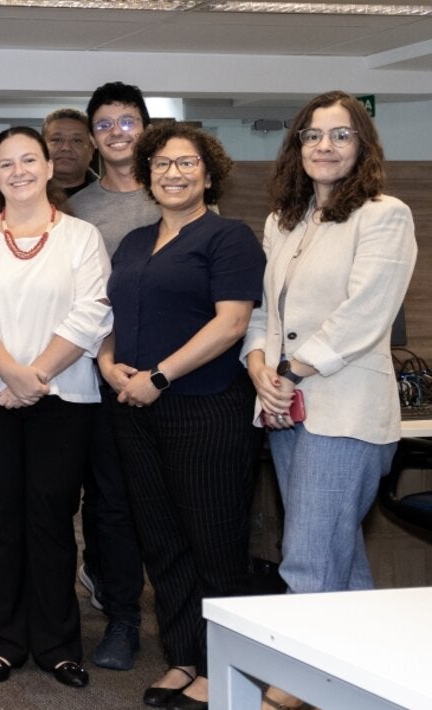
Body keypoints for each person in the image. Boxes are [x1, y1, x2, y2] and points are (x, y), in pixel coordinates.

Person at [248, 91, 417, 710]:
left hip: (344, 412)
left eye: (340, 135)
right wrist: (261, 365)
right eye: (312, 135)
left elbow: (363, 316)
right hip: (287, 408)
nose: (324, 146)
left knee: (308, 562)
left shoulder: (383, 214)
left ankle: (290, 691)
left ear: (362, 146)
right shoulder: (285, 221)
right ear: (296, 146)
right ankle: (372, 686)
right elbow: (266, 311)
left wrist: (290, 368)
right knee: (339, 563)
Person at [100, 123, 265, 710]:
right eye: (162, 165)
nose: (174, 173)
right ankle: (183, 657)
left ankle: (230, 671)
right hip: (135, 411)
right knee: (163, 542)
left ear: (209, 172)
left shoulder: (229, 237)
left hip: (205, 408)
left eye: (187, 163)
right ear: (147, 176)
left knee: (215, 544)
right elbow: (113, 314)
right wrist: (108, 361)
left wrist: (160, 376)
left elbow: (232, 323)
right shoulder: (134, 242)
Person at [0, 126, 110, 690]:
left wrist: (33, 376)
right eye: (7, 163)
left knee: (52, 518)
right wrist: (11, 375)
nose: (18, 171)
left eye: (28, 160)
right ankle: (2, 641)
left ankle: (59, 645)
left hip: (63, 398)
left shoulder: (82, 237)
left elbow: (92, 315)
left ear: (46, 168)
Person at [68, 81, 159, 672]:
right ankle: (122, 617)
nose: (117, 133)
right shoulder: (76, 208)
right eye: (105, 124)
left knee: (169, 503)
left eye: (128, 122)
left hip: (171, 376)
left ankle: (186, 620)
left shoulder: (179, 193)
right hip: (98, 374)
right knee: (110, 503)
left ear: (146, 128)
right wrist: (107, 362)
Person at [44, 109, 98, 196]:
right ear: (42, 148)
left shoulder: (112, 198)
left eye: (76, 140)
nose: (66, 148)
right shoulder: (23, 195)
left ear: (91, 150)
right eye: (56, 140)